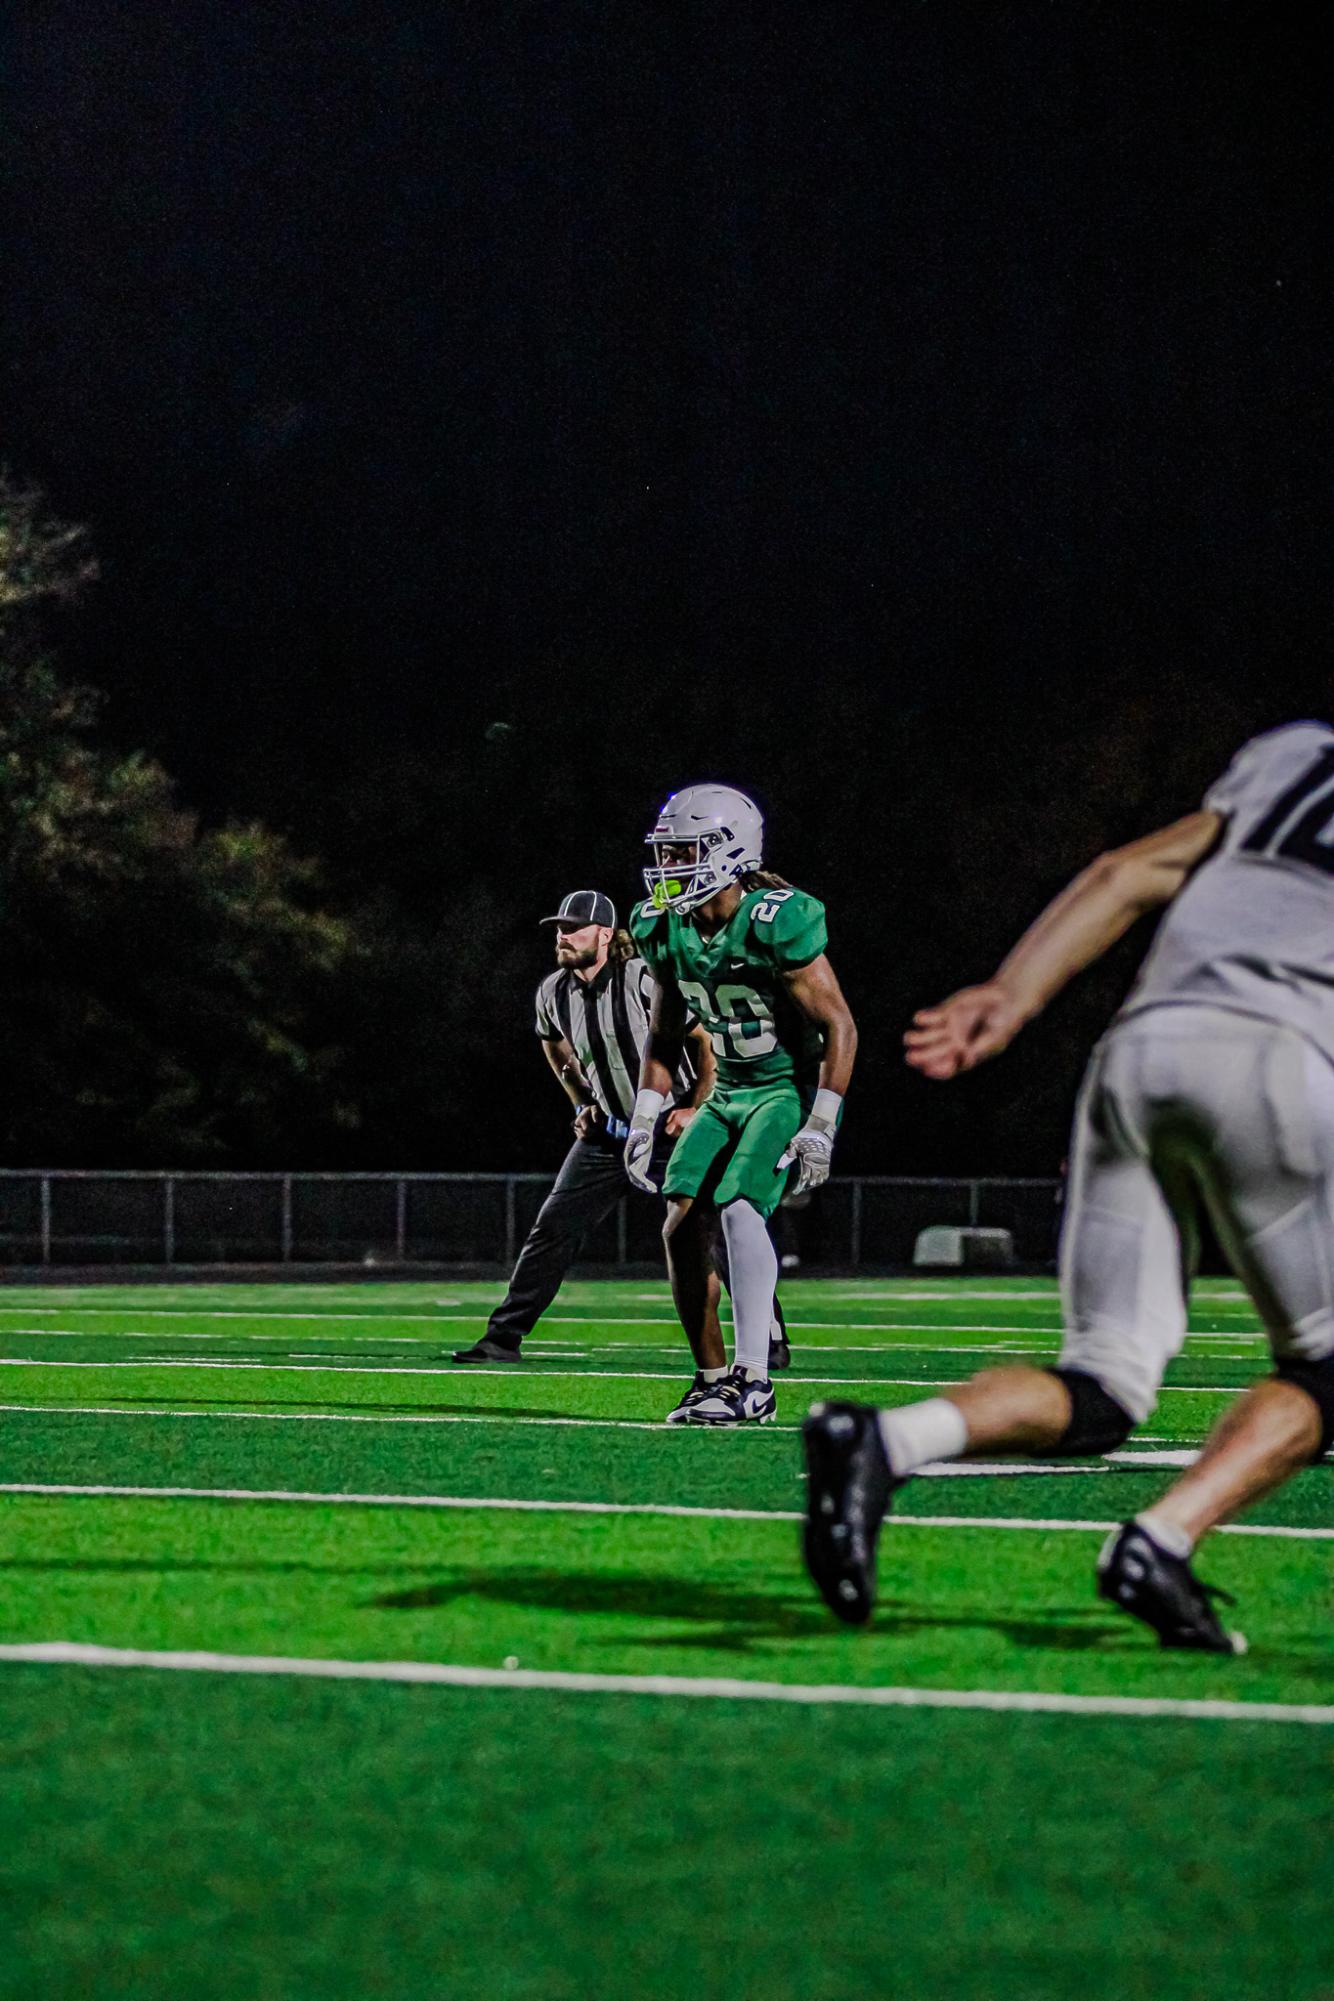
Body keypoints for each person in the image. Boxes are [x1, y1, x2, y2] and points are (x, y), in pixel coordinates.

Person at [801, 721, 1334, 1652]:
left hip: (1141, 1047)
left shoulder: (1298, 755)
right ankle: (1159, 1538)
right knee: (1328, 1367)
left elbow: (1124, 874)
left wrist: (1012, 992)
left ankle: (885, 1441)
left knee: (1107, 1380)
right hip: (1281, 1053)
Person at [452, 889, 789, 1367]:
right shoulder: (552, 992)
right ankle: (502, 1338)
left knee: (712, 1232)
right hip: (611, 1133)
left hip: (674, 1130)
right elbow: (554, 1046)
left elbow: (707, 1039)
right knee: (553, 1228)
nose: (562, 936)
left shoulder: (642, 979)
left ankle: (768, 1338)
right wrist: (582, 1102)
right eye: (558, 929)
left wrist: (697, 1106)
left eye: (573, 927)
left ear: (605, 934)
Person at [627, 784, 858, 1424]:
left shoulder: (775, 920)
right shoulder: (666, 928)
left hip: (779, 1089)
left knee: (737, 1206)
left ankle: (753, 1379)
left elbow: (841, 1025)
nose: (670, 869)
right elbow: (664, 1032)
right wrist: (646, 1113)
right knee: (679, 1220)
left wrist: (821, 1123)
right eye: (667, 854)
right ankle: (709, 1379)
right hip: (726, 1091)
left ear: (731, 852)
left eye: (685, 853)